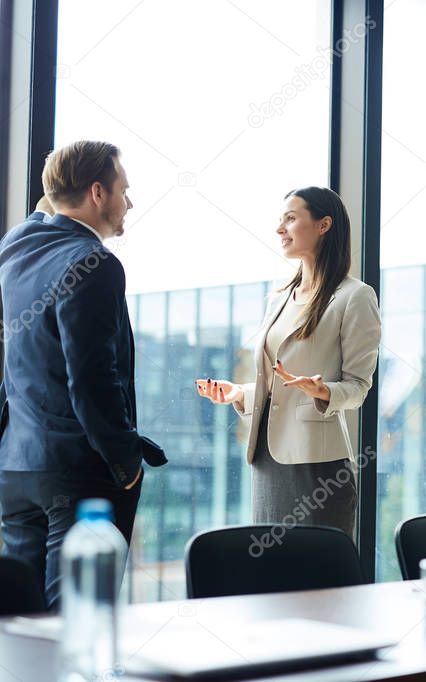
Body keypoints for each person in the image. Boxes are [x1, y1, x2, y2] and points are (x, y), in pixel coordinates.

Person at [0, 141, 166, 608]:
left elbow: (41, 213)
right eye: (123, 190)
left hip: (16, 467)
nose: (129, 202)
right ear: (98, 193)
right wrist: (125, 463)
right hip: (75, 471)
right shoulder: (96, 264)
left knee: (20, 621)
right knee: (75, 618)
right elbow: (91, 379)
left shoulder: (16, 246)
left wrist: (58, 183)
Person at [195, 187, 380, 539]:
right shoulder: (279, 296)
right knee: (273, 578)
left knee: (317, 581)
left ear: (324, 224)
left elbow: (358, 388)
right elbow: (278, 384)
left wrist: (323, 390)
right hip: (267, 460)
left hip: (317, 467)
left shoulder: (355, 297)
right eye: (280, 220)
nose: (280, 229)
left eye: (291, 219)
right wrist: (241, 393)